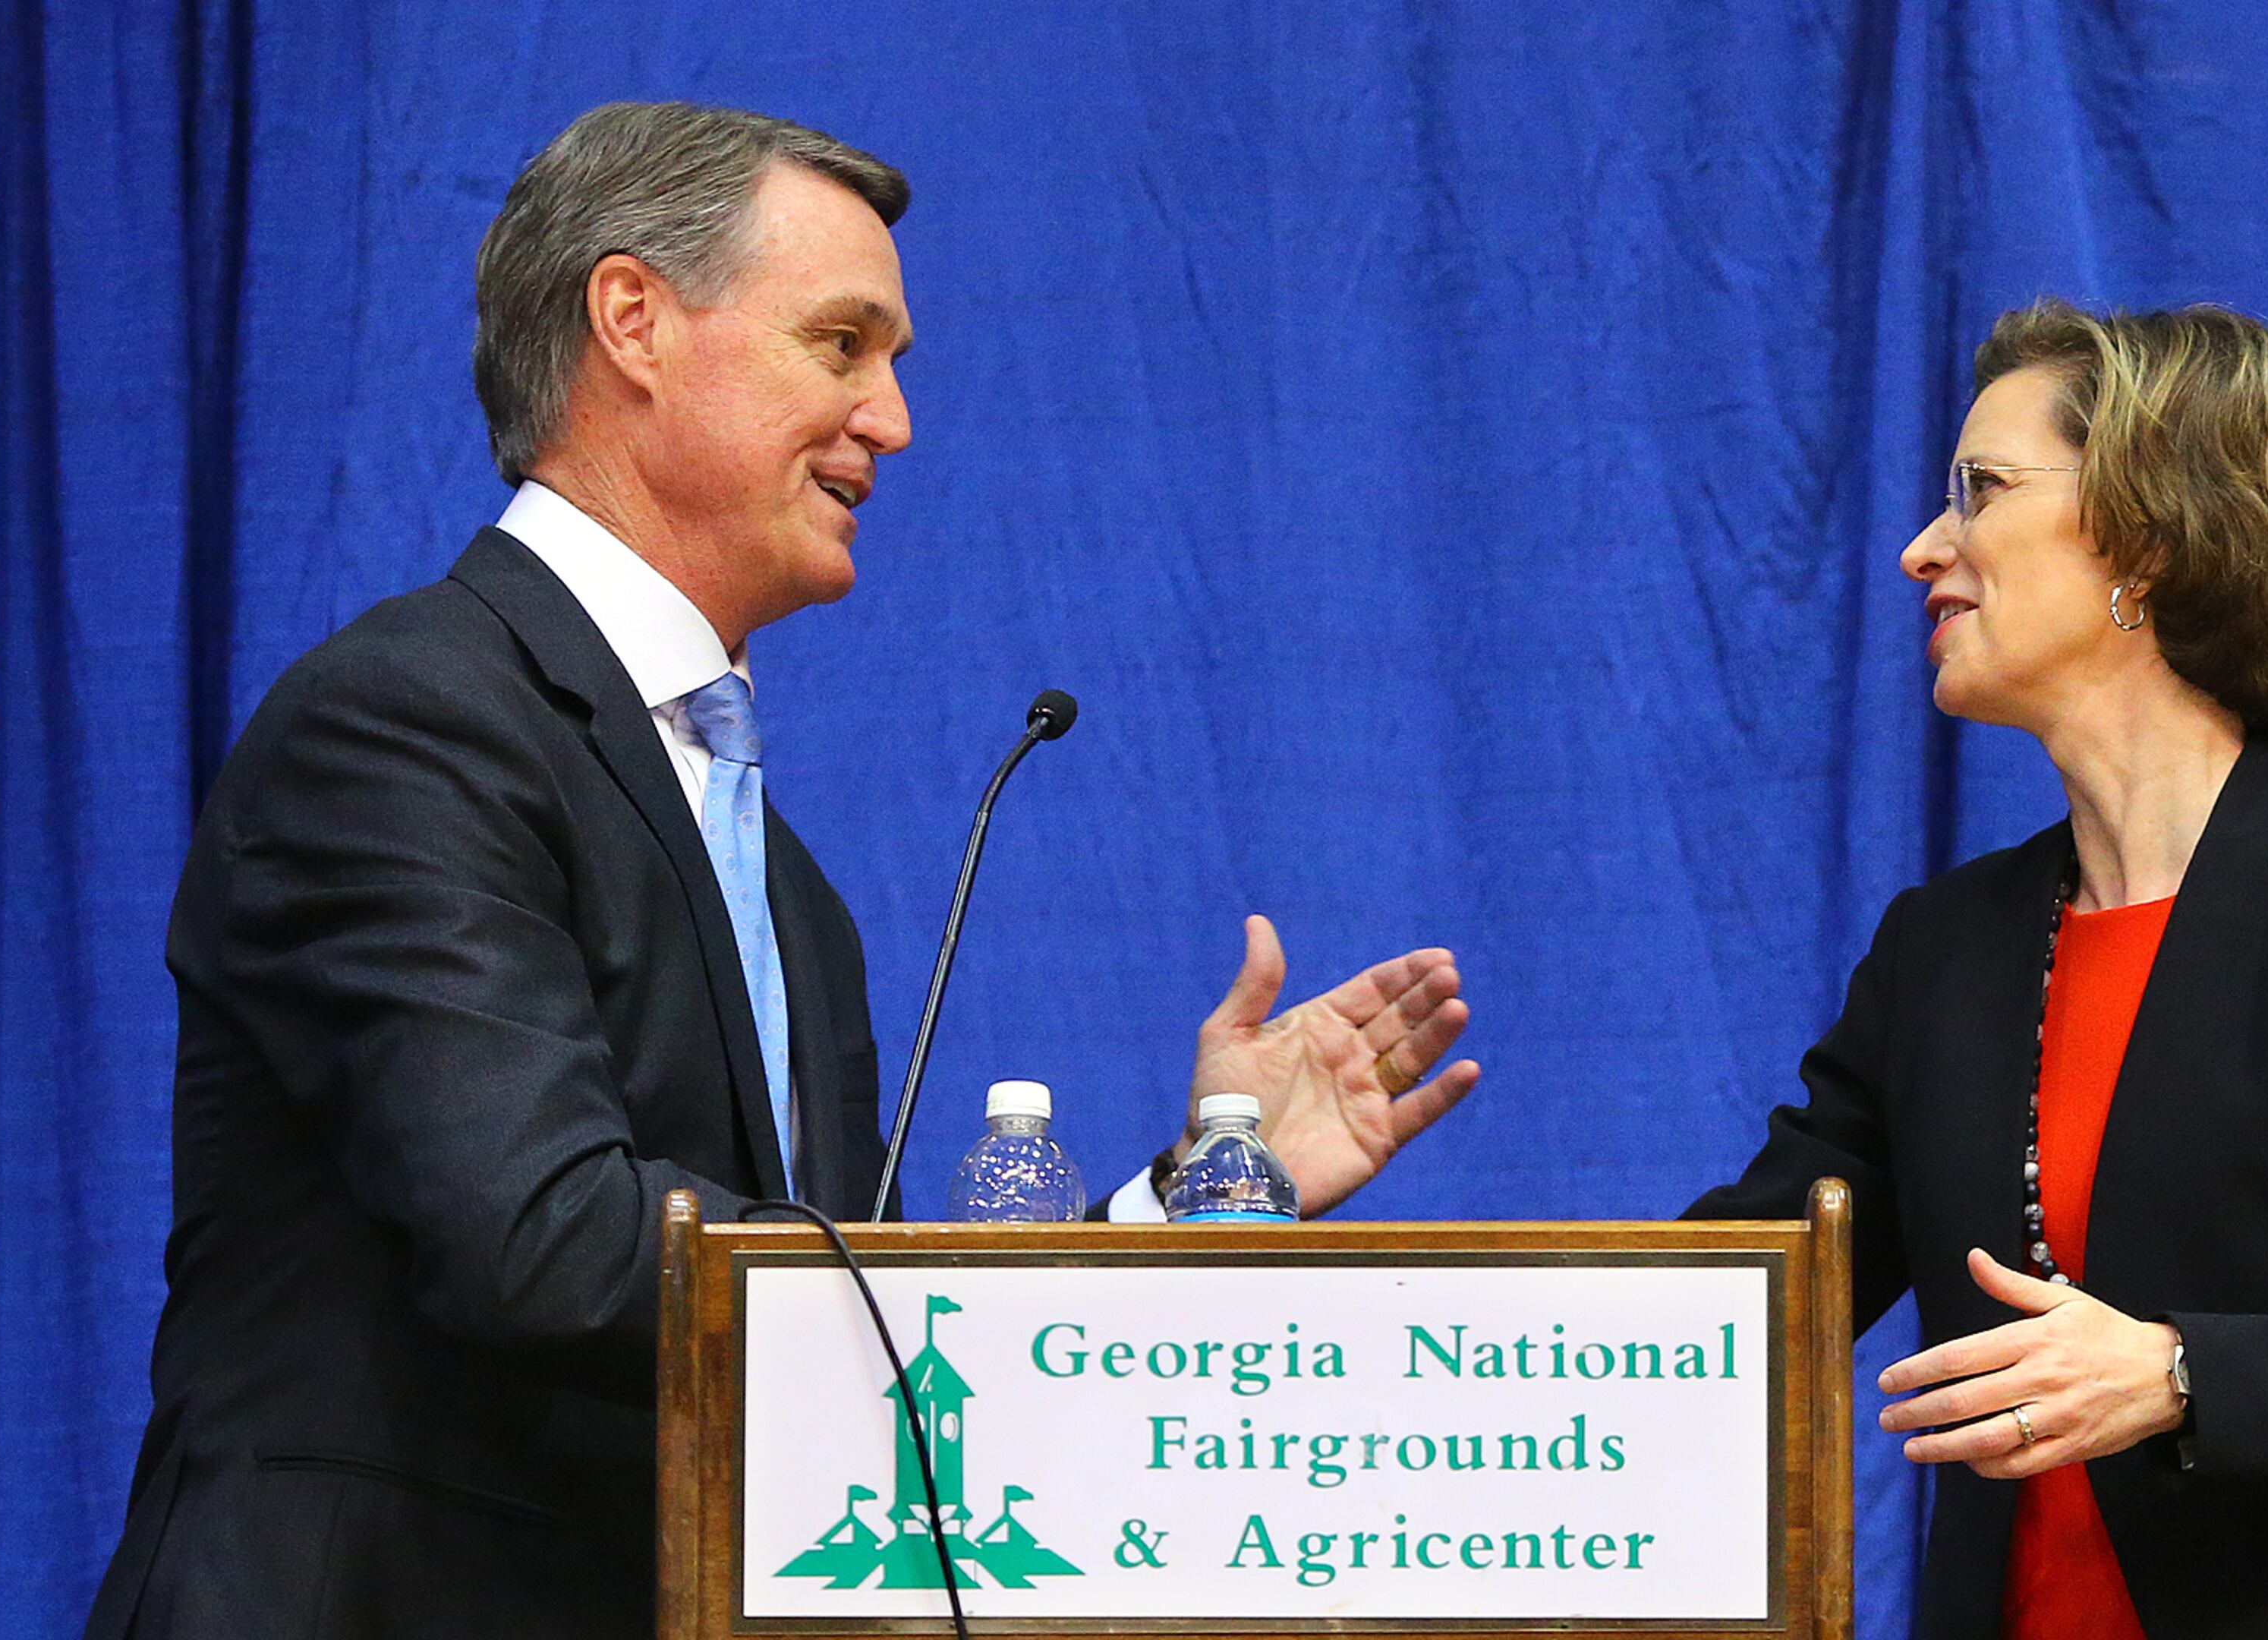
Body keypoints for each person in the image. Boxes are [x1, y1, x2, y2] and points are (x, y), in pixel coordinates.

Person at [84, 102, 1479, 1640]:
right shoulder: (408, 723)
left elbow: (847, 1344)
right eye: (841, 344)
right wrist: (958, 1306)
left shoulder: (788, 889)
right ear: (635, 322)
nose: (892, 421)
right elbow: (548, 1247)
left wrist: (1195, 1198)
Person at [1689, 299, 2268, 1638]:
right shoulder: (1942, 949)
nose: (1922, 550)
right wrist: (1283, 1198)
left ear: (2147, 533)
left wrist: (2190, 1374)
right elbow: (1713, 1332)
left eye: (1980, 490)